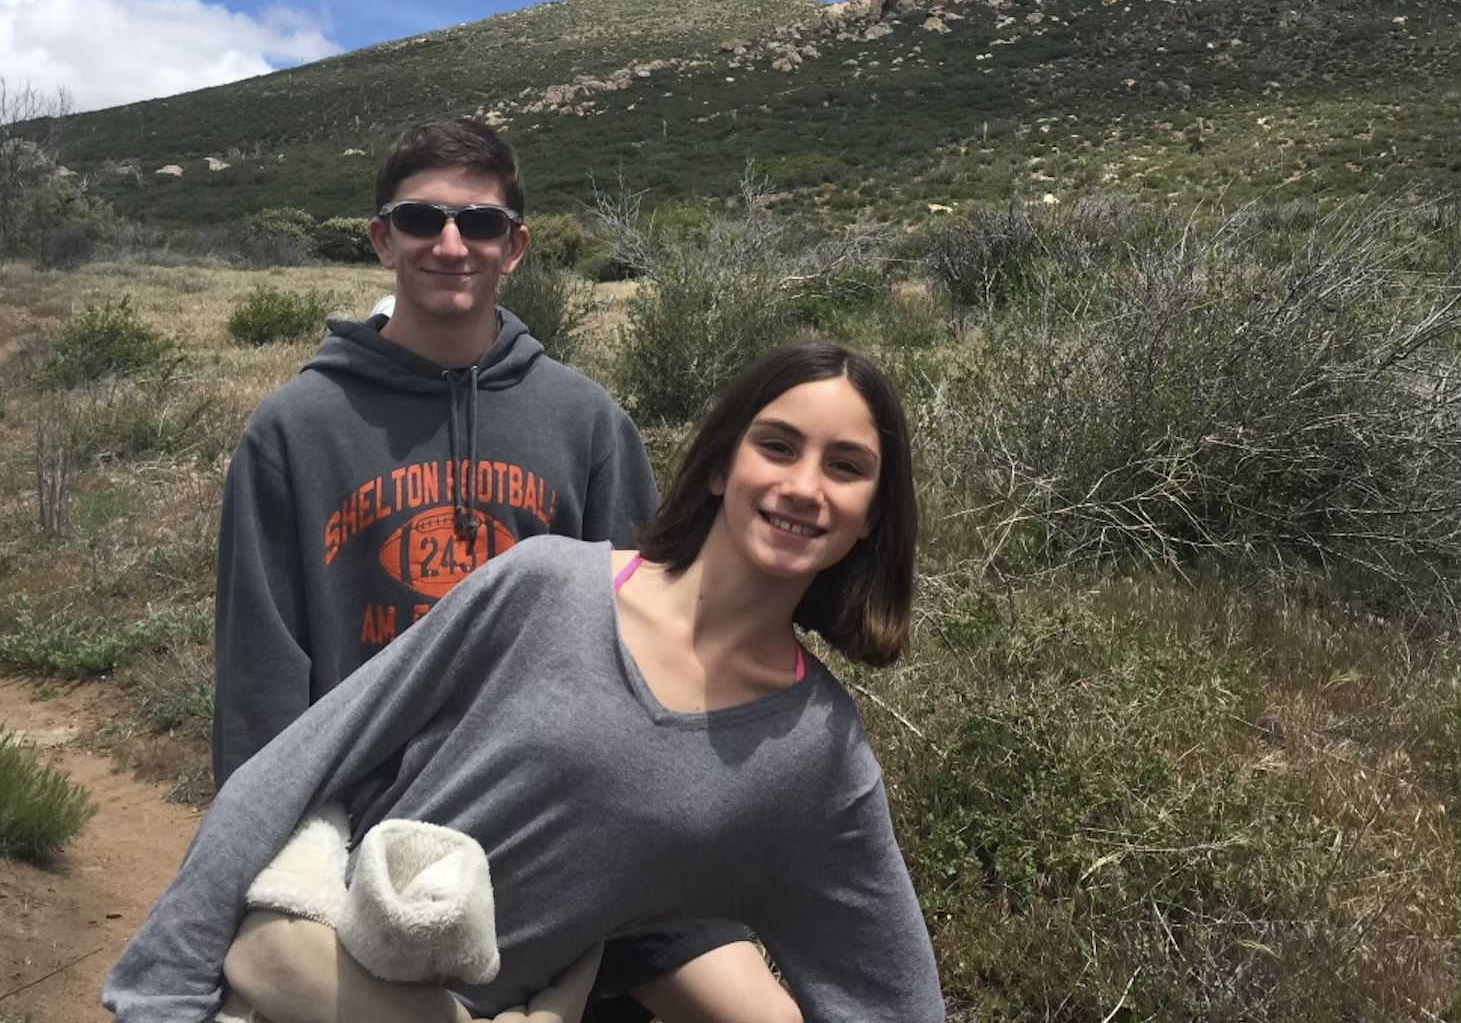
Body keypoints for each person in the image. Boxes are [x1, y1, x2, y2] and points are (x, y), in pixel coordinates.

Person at [104, 340, 945, 1023]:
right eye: (778, 445)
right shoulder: (544, 586)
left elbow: (890, 993)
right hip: (287, 983)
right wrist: (161, 993)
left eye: (846, 466)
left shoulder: (814, 756)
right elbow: (298, 766)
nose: (803, 486)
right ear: (723, 464)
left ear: (873, 514)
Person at [212, 118, 794, 1021]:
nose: (451, 244)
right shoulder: (293, 431)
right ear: (381, 238)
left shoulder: (587, 423)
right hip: (367, 829)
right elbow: (262, 675)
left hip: (563, 817)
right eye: (422, 219)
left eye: (480, 225)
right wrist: (250, 863)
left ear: (515, 247)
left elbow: (650, 641)